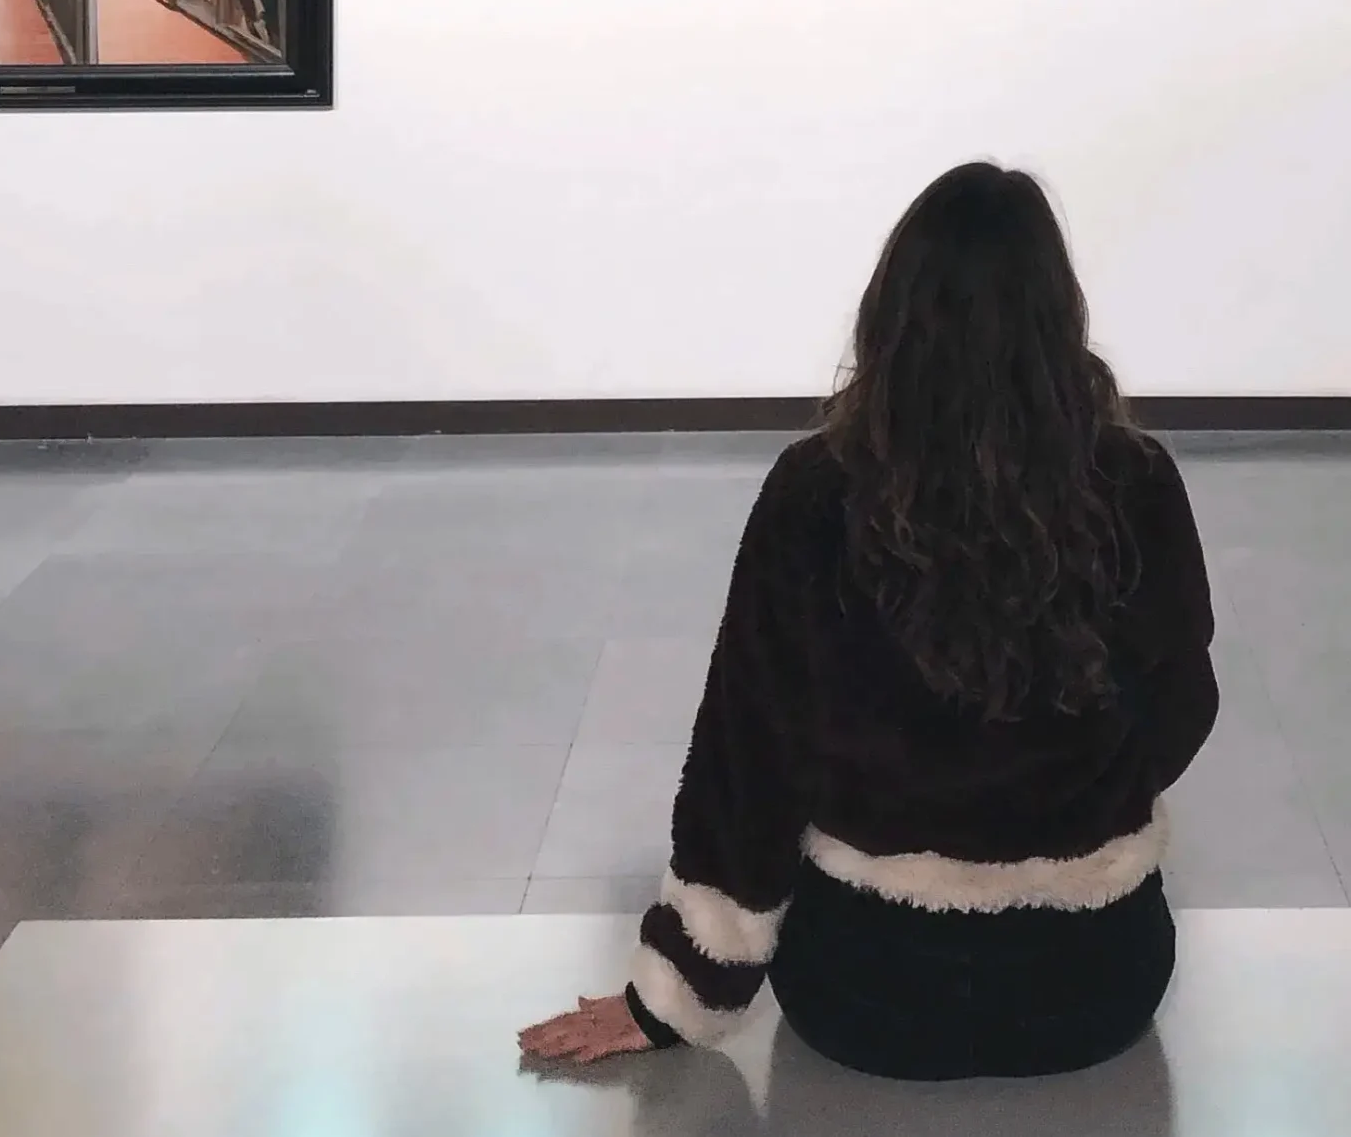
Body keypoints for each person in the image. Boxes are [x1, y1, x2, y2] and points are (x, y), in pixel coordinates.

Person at [520, 162, 1219, 1082]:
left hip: (871, 994)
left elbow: (749, 762)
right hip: (1095, 987)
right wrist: (1065, 801)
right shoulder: (1136, 483)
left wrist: (674, 995)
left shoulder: (815, 493)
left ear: (891, 314)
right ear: (1060, 314)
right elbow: (1183, 706)